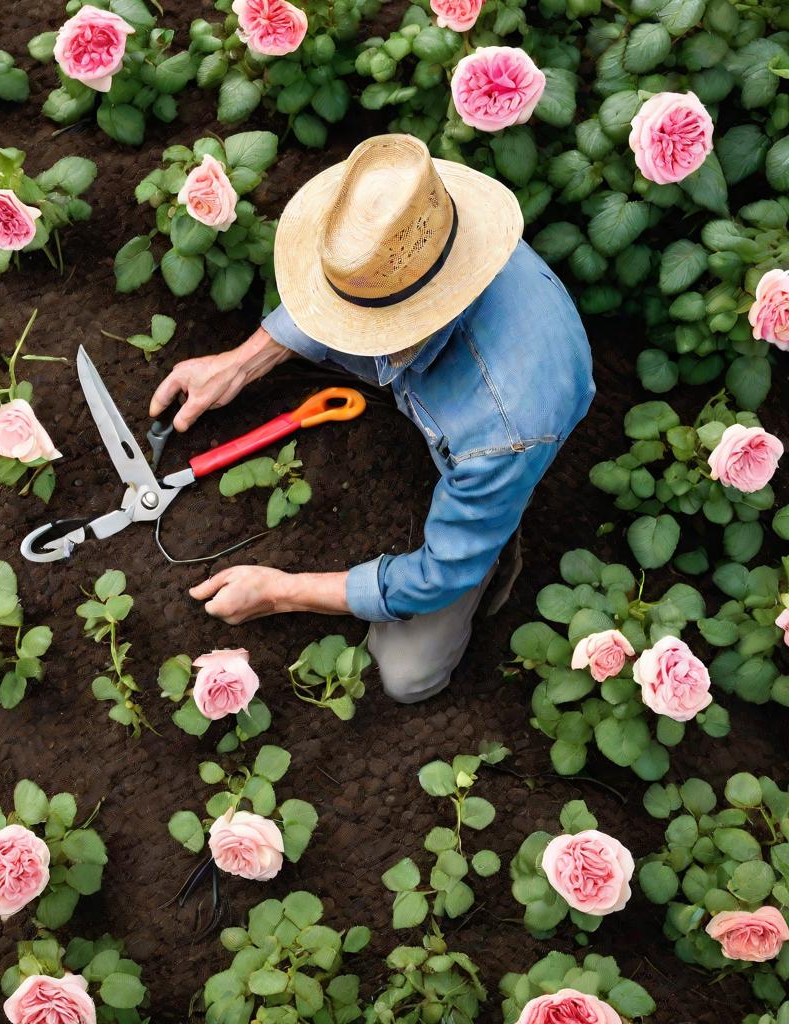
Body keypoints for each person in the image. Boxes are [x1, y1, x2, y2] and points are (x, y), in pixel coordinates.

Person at [150, 133, 595, 704]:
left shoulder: (500, 433)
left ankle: (497, 545)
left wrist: (283, 591)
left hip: (509, 444)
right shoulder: (420, 221)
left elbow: (435, 578)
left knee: (407, 675)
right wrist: (239, 363)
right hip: (465, 385)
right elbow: (357, 283)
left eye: (361, 318)